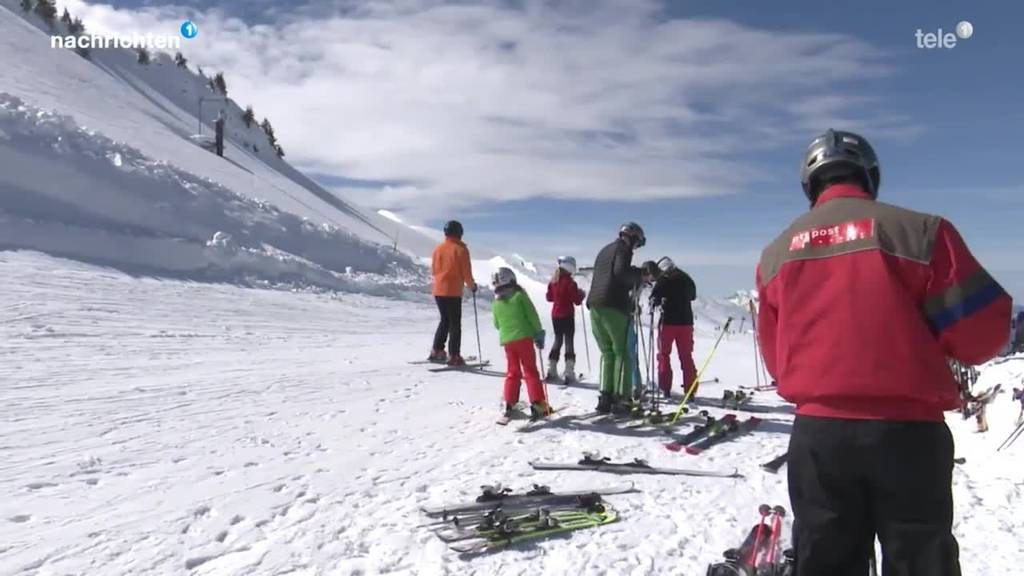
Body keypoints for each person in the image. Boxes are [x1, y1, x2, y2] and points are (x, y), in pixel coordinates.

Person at [756, 129, 1012, 576]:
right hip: (908, 434)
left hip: (819, 436)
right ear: (870, 177)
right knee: (920, 560)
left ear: (809, 186)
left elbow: (778, 360)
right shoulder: (922, 232)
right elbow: (982, 335)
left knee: (824, 559)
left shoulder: (776, 254)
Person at [586, 222, 645, 413]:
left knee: (607, 353)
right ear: (632, 237)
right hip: (613, 306)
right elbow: (621, 273)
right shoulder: (623, 249)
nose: (635, 248)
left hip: (595, 305)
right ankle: (621, 398)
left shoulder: (605, 250)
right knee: (622, 352)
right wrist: (639, 274)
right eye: (637, 244)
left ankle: (605, 397)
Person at [491, 267, 550, 419]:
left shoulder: (496, 302)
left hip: (508, 342)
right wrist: (538, 333)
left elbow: (496, 324)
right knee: (530, 370)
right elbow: (532, 315)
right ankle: (538, 403)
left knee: (513, 371)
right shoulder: (519, 296)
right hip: (524, 338)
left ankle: (509, 402)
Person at [648, 257, 698, 399]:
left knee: (664, 355)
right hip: (686, 323)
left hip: (668, 322)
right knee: (686, 357)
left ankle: (665, 388)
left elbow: (654, 299)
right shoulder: (687, 278)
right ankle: (690, 390)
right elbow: (693, 296)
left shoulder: (664, 279)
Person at [429, 220, 477, 366]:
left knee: (444, 320)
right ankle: (454, 355)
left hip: (438, 290)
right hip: (452, 291)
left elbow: (434, 270)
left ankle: (437, 350)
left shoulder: (438, 249)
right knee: (455, 324)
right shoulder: (461, 249)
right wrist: (472, 285)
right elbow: (466, 272)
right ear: (459, 233)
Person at [545, 256, 586, 384]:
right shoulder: (570, 282)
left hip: (555, 315)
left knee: (558, 340)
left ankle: (551, 370)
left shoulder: (553, 281)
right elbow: (577, 300)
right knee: (569, 342)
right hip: (567, 315)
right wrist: (581, 294)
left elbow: (549, 297)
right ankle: (569, 372)